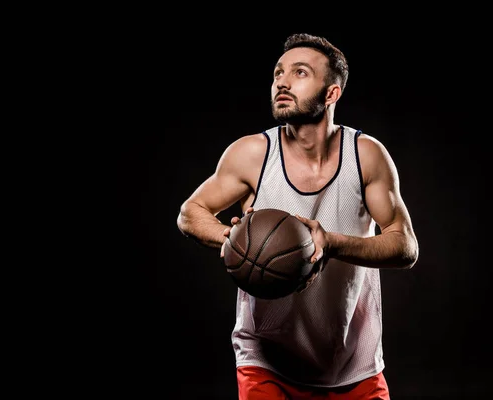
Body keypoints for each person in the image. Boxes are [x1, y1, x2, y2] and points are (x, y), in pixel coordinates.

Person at [176, 33, 419, 399]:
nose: (282, 82)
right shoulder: (253, 154)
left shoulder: (366, 156)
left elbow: (405, 246)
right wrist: (238, 243)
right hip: (265, 359)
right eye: (278, 73)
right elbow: (190, 213)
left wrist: (331, 244)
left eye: (300, 73)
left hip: (353, 362)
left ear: (331, 93)